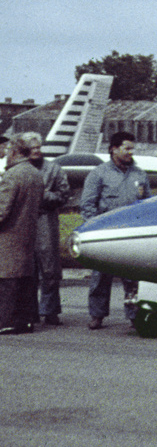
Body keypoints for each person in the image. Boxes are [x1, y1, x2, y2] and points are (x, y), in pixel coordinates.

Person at [81, 131, 149, 329]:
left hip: (132, 234)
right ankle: (97, 315)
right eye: (127, 148)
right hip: (106, 235)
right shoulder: (98, 174)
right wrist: (95, 231)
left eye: (132, 148)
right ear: (113, 149)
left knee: (133, 279)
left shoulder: (140, 173)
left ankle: (134, 315)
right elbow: (87, 205)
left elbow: (147, 203)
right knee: (101, 278)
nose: (131, 152)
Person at [0, 134, 45, 334]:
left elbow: (2, 210)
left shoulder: (12, 175)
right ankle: (25, 321)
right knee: (25, 280)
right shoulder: (35, 174)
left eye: (9, 150)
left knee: (7, 281)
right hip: (27, 235)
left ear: (16, 152)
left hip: (7, 237)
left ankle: (7, 321)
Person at [24, 133, 70, 325]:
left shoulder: (54, 169)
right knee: (27, 269)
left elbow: (64, 195)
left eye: (38, 147)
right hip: (24, 221)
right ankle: (30, 312)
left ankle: (50, 310)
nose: (36, 151)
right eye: (32, 147)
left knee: (49, 268)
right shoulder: (20, 169)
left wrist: (44, 195)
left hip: (45, 219)